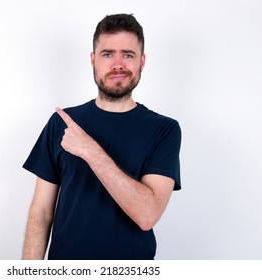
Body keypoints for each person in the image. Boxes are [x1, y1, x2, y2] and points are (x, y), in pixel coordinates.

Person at [22, 13, 181, 260]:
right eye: (107, 54)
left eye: (128, 55)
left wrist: (89, 150)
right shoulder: (62, 123)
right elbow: (41, 211)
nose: (118, 64)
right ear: (93, 60)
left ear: (142, 61)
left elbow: (147, 215)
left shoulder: (164, 130)